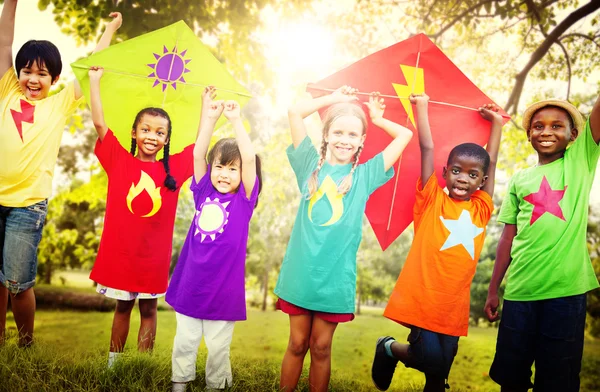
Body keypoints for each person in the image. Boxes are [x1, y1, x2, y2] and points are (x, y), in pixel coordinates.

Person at [275, 85, 413, 392]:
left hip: (335, 279)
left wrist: (377, 118)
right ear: (325, 135)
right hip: (300, 275)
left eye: (353, 135)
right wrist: (337, 99)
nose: (344, 140)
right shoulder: (308, 166)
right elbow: (295, 112)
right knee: (297, 344)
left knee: (321, 347)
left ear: (362, 141)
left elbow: (404, 136)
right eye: (338, 132)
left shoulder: (366, 176)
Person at [0, 0, 121, 346]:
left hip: (28, 206)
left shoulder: (60, 102)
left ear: (54, 78)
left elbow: (91, 67)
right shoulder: (7, 88)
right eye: (27, 71)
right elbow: (4, 41)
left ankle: (26, 343)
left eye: (41, 73)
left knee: (17, 283)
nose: (32, 79)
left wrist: (109, 31)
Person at [372, 93, 503, 392]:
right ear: (445, 173)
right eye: (456, 171)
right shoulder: (431, 200)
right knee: (430, 357)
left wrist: (497, 125)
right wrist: (422, 107)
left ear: (481, 182)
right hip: (423, 298)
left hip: (452, 304)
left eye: (472, 175)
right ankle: (389, 348)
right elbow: (427, 146)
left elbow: (491, 162)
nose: (462, 179)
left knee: (441, 368)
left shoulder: (481, 208)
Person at [484, 96, 600, 392]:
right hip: (520, 292)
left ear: (573, 136)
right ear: (529, 135)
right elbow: (508, 237)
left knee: (557, 378)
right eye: (538, 126)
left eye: (556, 126)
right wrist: (493, 288)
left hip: (565, 294)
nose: (546, 131)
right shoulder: (520, 180)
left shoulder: (580, 162)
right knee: (511, 377)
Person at [87, 65, 194, 367]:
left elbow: (199, 147)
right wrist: (95, 81)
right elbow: (98, 122)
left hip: (153, 258)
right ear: (134, 133)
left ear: (166, 139)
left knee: (149, 310)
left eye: (160, 132)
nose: (152, 136)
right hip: (123, 255)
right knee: (123, 308)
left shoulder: (170, 172)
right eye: (145, 130)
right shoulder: (118, 159)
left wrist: (208, 113)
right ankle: (114, 367)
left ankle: (141, 367)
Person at [166, 87, 262, 392]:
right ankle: (179, 383)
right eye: (219, 166)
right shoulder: (203, 190)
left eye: (232, 169)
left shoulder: (245, 199)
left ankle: (215, 385)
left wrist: (236, 120)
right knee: (185, 340)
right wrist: (209, 117)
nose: (224, 173)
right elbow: (198, 153)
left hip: (224, 289)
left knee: (219, 347)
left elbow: (248, 157)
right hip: (192, 282)